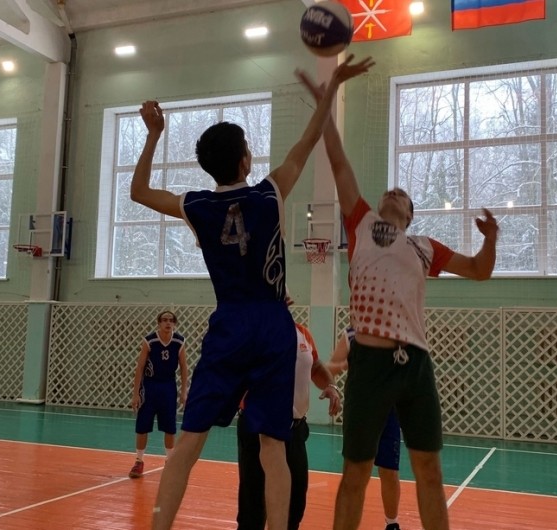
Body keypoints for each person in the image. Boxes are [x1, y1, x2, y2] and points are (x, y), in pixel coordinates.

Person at [129, 54, 374, 530]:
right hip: (272, 323)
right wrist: (330, 91)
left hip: (230, 323)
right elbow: (306, 143)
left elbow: (139, 191)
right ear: (245, 159)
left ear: (209, 167)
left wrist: (154, 135)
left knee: (190, 441)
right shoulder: (269, 193)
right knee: (272, 446)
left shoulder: (197, 206)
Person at [299, 76, 498, 530]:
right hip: (370, 365)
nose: (392, 193)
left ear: (409, 215)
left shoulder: (425, 247)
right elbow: (338, 159)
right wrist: (325, 104)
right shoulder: (361, 223)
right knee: (356, 474)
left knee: (429, 470)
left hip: (416, 365)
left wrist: (491, 240)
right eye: (388, 190)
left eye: (401, 195)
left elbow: (479, 270)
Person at [237, 296, 341, 530]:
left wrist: (330, 385)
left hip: (294, 430)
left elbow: (315, 366)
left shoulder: (302, 333)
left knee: (295, 499)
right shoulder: (252, 333)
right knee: (253, 502)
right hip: (258, 427)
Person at [327, 327, 401, 530]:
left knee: (390, 471)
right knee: (355, 473)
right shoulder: (352, 335)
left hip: (389, 411)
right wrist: (339, 369)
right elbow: (330, 367)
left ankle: (392, 523)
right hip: (359, 413)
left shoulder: (396, 334)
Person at [128, 310, 188, 478]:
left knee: (169, 426)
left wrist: (184, 391)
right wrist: (135, 394)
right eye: (164, 320)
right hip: (150, 385)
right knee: (143, 425)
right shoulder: (150, 341)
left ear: (174, 323)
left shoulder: (179, 341)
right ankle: (139, 461)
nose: (168, 323)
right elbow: (140, 367)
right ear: (159, 323)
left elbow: (184, 367)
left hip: (168, 386)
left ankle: (170, 461)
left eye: (171, 320)